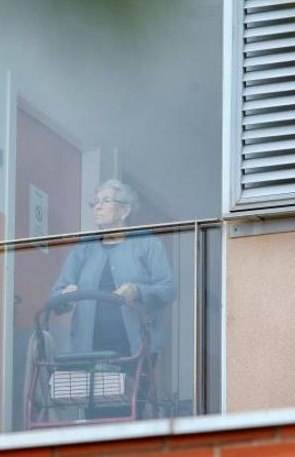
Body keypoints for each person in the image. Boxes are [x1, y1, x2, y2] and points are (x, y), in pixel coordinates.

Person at [49, 179, 175, 418]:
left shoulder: (148, 244)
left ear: (125, 210)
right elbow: (55, 297)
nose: (97, 207)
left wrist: (137, 290)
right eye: (94, 202)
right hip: (89, 349)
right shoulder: (83, 250)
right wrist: (64, 296)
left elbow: (168, 289)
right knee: (95, 413)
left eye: (105, 201)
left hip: (134, 346)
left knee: (129, 411)